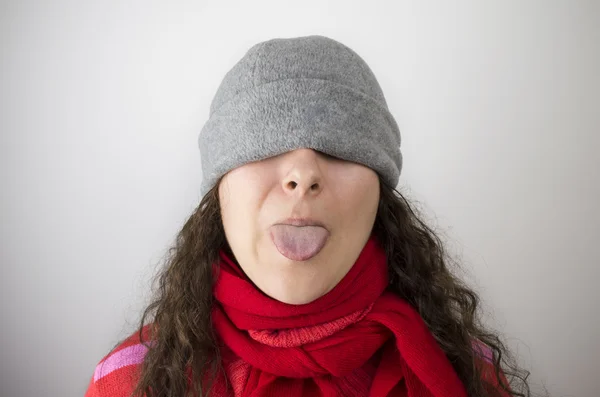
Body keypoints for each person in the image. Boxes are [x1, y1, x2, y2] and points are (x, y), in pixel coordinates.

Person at [84, 35, 531, 397]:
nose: (302, 174)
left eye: (338, 147)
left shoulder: (470, 372)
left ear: (380, 189)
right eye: (264, 145)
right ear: (218, 189)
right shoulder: (127, 380)